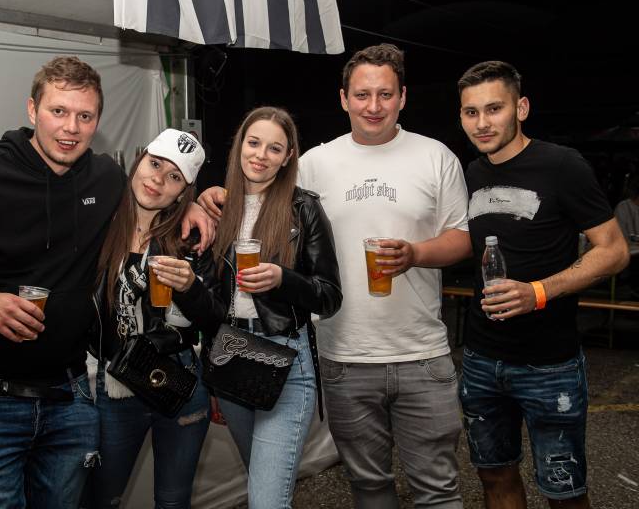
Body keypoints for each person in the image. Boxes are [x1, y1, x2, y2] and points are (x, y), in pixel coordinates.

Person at [0, 56, 213, 508]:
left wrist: (196, 204)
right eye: (58, 111)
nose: (71, 128)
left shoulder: (105, 179)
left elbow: (155, 195)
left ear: (97, 122)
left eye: (85, 116)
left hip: (69, 399)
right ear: (33, 110)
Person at [199, 46, 470, 508]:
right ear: (344, 99)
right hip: (342, 354)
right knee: (368, 485)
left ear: (403, 97)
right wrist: (210, 195)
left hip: (422, 352)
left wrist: (416, 253)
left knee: (438, 489)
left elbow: (462, 239)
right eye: (362, 94)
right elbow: (260, 191)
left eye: (385, 94)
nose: (373, 105)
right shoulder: (316, 163)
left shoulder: (436, 156)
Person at [457, 60, 630, 509]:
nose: (482, 123)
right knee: (494, 477)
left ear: (521, 108)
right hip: (481, 359)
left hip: (549, 365)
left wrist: (537, 292)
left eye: (494, 109)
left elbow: (613, 250)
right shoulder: (472, 173)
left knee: (563, 492)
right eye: (471, 112)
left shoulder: (562, 165)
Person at [180, 106, 342, 508]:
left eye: (274, 148)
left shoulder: (303, 208)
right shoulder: (220, 209)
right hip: (231, 353)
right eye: (254, 143)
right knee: (265, 486)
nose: (261, 155)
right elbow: (211, 304)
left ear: (288, 157)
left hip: (286, 360)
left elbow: (329, 295)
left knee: (266, 500)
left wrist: (283, 280)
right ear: (240, 146)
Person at [86, 128, 212, 508]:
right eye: (155, 164)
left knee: (173, 501)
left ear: (183, 192)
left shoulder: (192, 237)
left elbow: (215, 319)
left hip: (180, 377)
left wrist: (190, 288)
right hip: (117, 382)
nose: (158, 180)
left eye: (174, 177)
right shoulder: (99, 221)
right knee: (101, 498)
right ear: (139, 159)